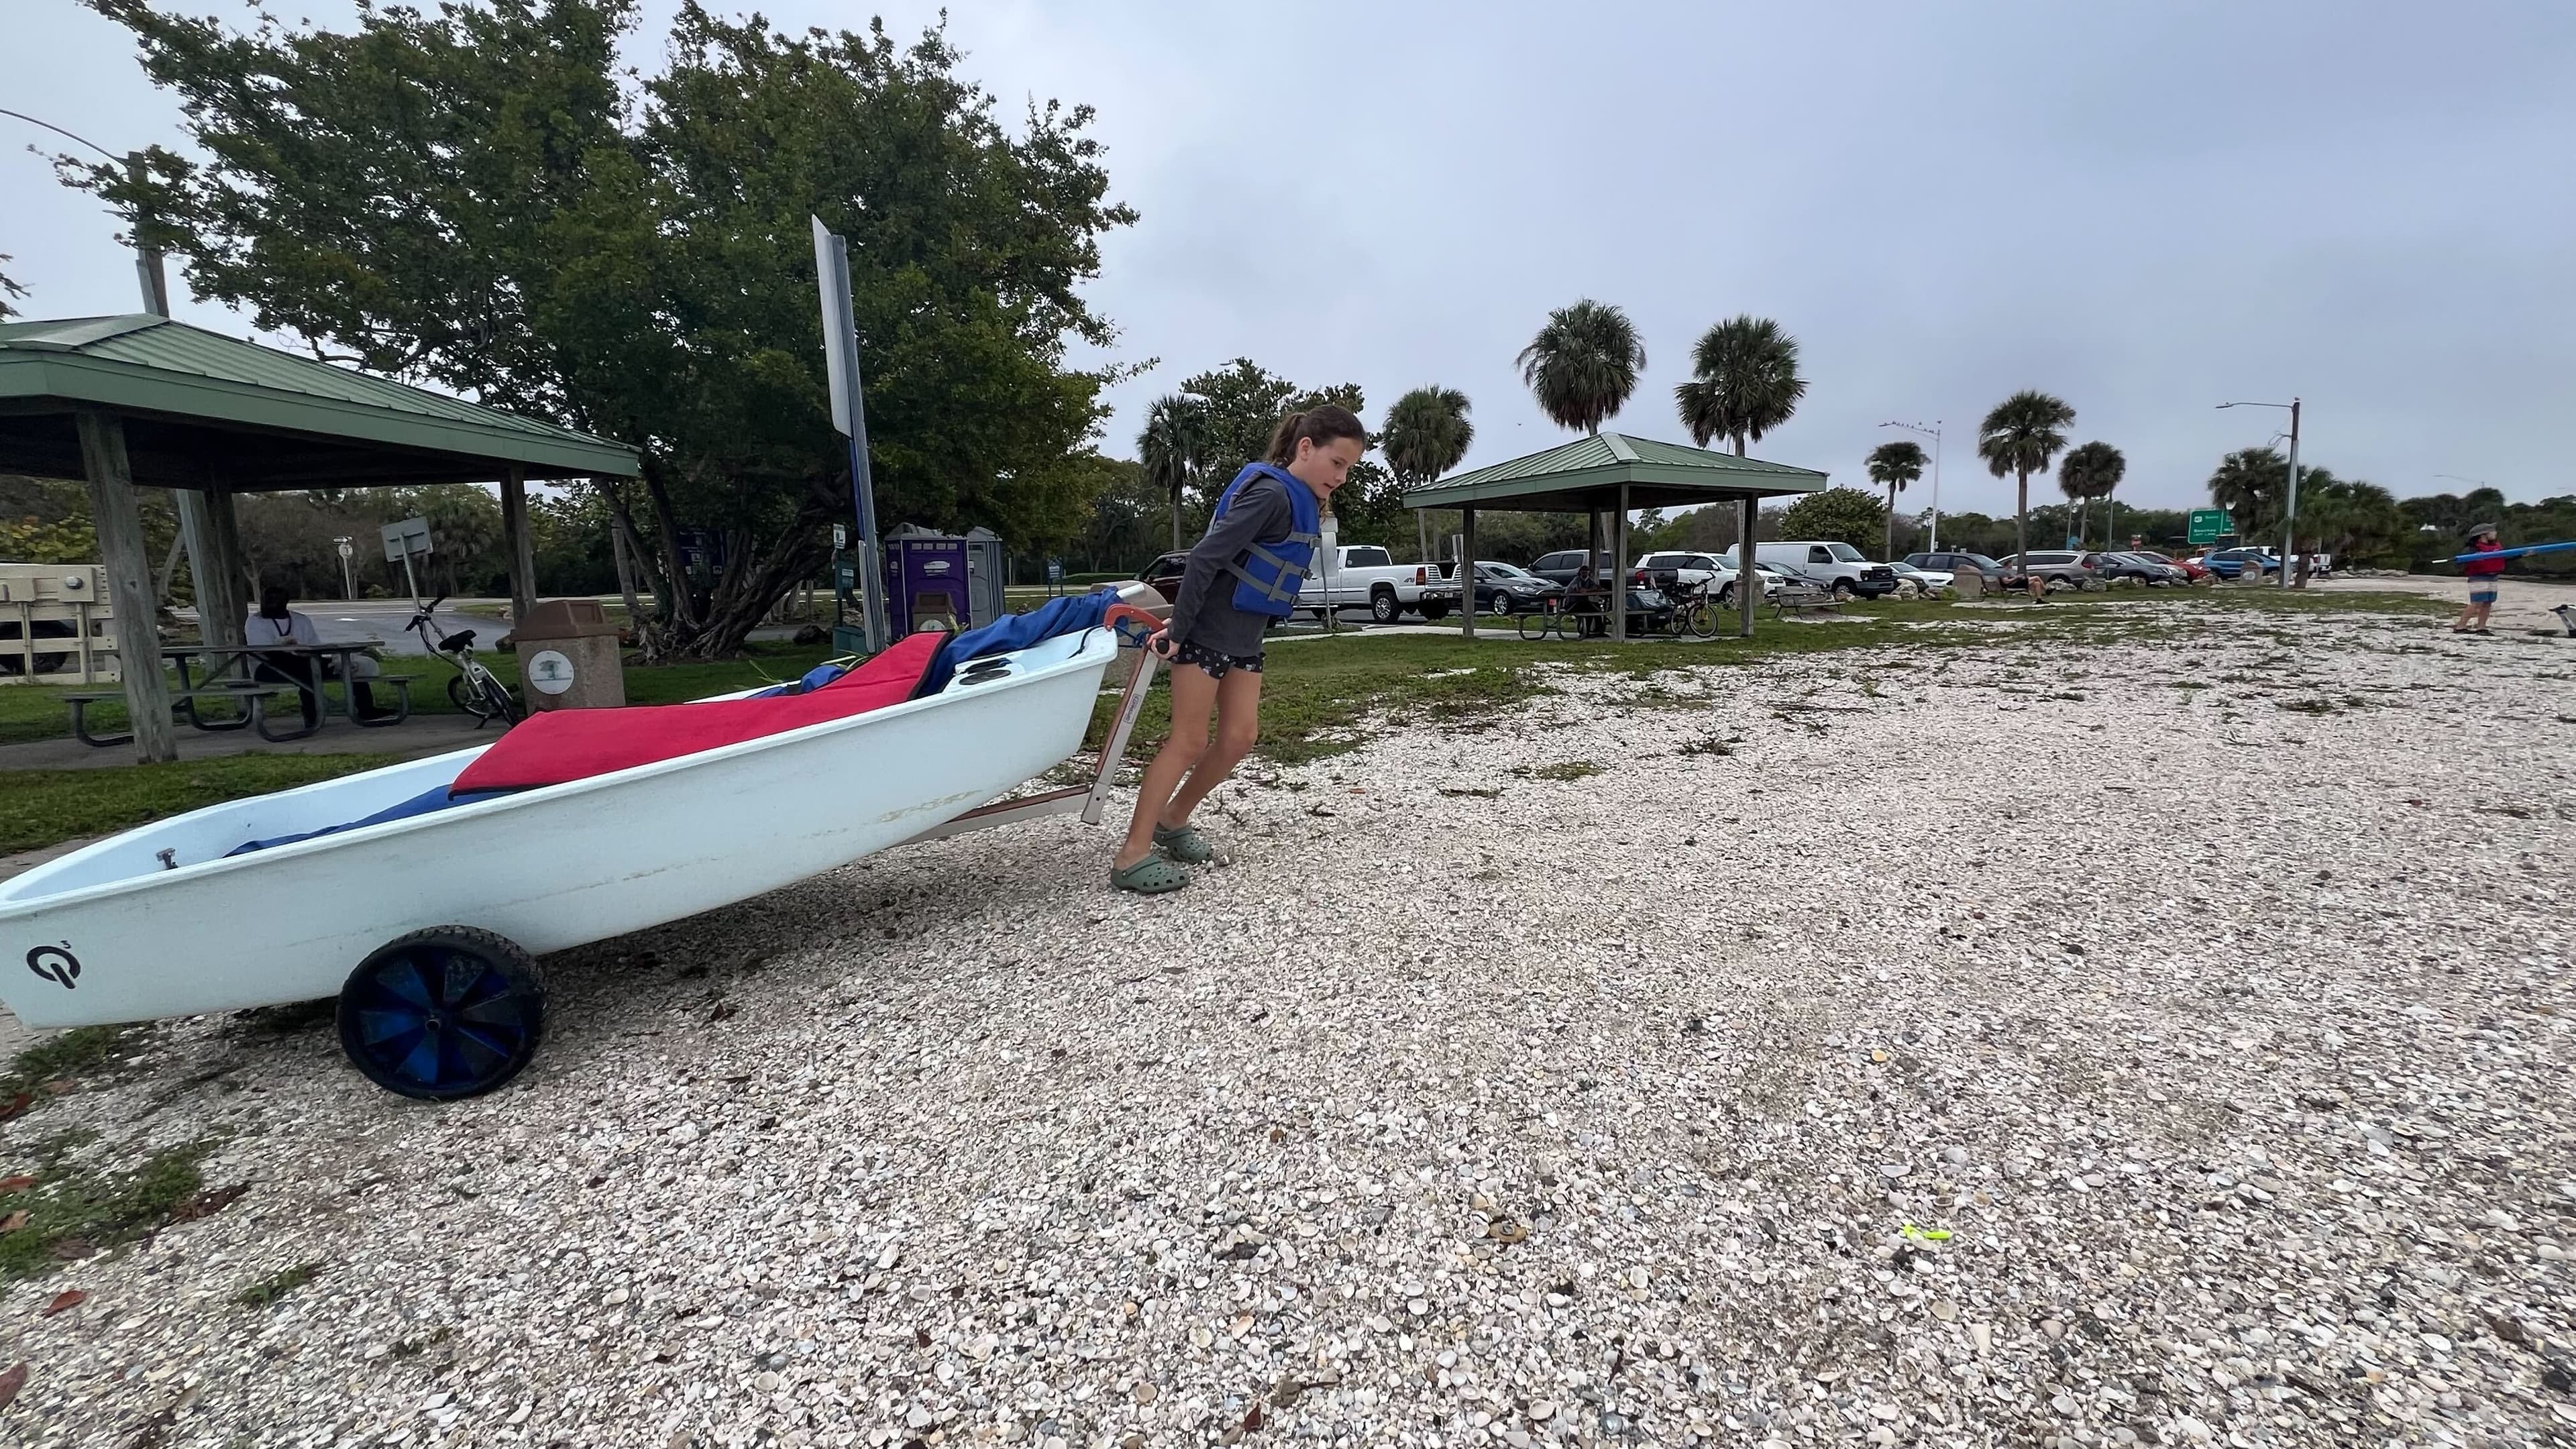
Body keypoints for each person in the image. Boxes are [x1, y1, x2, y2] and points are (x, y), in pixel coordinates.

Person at [1110, 405, 1363, 893]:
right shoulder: (1271, 495)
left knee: (1239, 737)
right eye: (1337, 463)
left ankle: (1173, 818)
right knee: (1187, 742)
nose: (1342, 476)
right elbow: (1205, 558)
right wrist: (1179, 629)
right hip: (1204, 633)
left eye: (1349, 468)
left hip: (1244, 638)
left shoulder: (1304, 501)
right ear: (1305, 447)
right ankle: (1131, 855)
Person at [248, 585, 383, 725]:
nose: (269, 604)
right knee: (307, 671)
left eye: (275, 600)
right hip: (267, 667)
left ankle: (367, 709)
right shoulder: (255, 621)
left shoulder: (301, 620)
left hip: (306, 660)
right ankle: (312, 717)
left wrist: (302, 652)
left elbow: (315, 647)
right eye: (266, 600)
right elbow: (261, 650)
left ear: (285, 602)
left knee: (348, 665)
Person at [2452, 525, 2506, 635]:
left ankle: (2482, 627)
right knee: (2477, 603)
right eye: (2492, 531)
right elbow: (2462, 562)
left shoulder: (2495, 547)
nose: (2495, 533)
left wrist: (2522, 554)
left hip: (2492, 577)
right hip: (2478, 577)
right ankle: (2460, 627)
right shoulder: (2472, 549)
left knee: (2488, 603)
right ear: (2483, 535)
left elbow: (2505, 558)